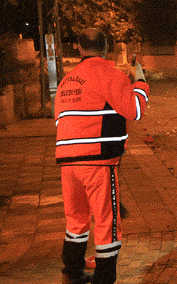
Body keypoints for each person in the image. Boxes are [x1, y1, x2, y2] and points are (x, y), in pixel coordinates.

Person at [55, 28, 149, 284]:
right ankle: (104, 278)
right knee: (108, 221)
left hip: (67, 161)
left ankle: (72, 272)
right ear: (107, 47)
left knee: (75, 219)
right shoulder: (112, 75)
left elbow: (60, 120)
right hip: (97, 161)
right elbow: (135, 110)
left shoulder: (66, 81)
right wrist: (139, 80)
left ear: (79, 47)